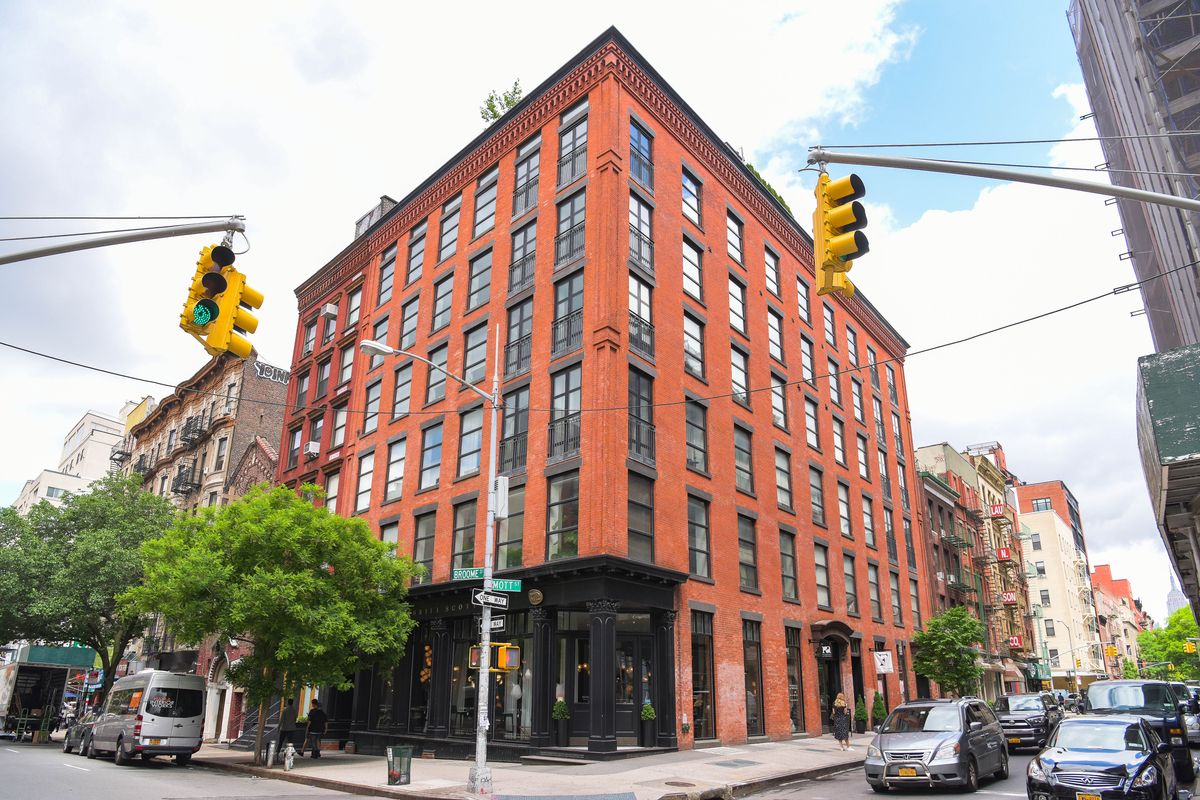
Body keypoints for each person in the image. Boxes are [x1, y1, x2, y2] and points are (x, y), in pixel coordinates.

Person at [276, 697, 299, 763]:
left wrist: (278, 728)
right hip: (291, 728)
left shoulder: (284, 710)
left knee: (281, 741)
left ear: (287, 703)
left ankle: (277, 753)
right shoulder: (294, 710)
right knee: (290, 742)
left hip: (284, 728)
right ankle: (290, 754)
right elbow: (295, 719)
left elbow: (281, 720)